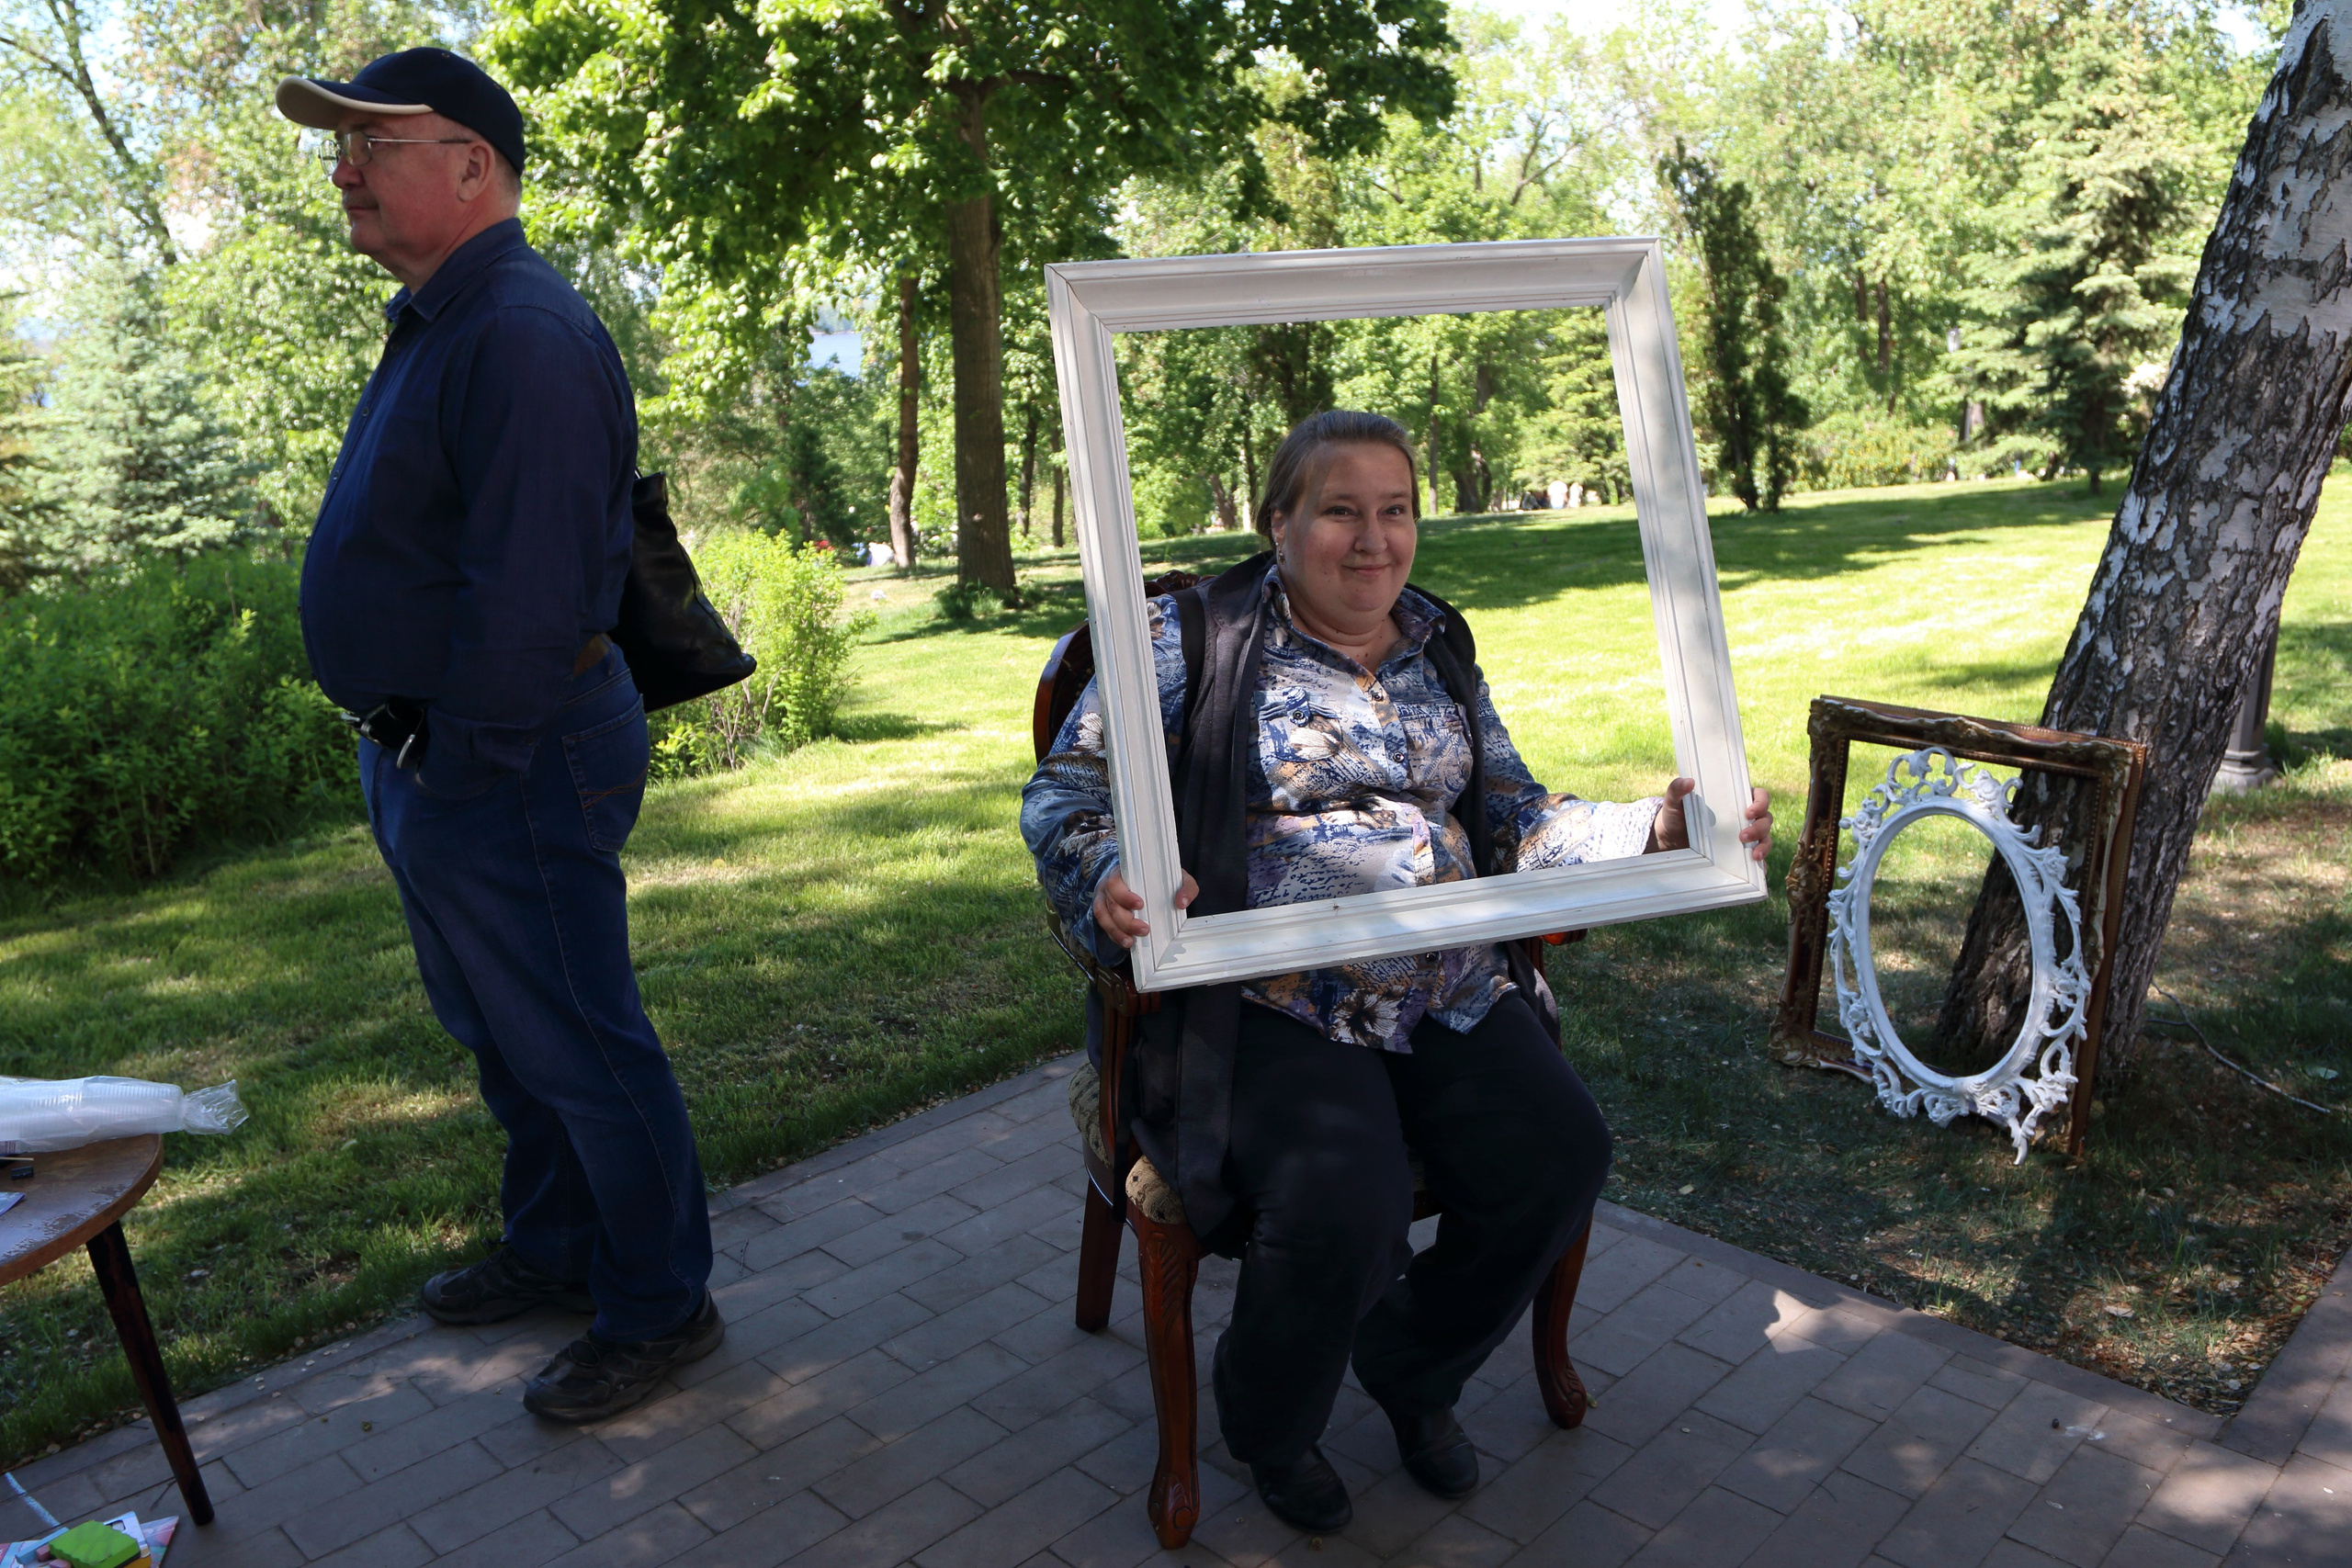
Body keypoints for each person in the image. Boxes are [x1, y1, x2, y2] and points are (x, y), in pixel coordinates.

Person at [1022, 411, 1771, 1531]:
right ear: (1278, 524)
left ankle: (1409, 1363)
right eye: (1339, 510)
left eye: (1395, 509)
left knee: (1559, 1152)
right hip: (1271, 993)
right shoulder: (1186, 638)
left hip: (1448, 976)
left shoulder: (1436, 643)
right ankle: (1267, 1419)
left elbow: (1514, 817)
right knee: (1344, 1199)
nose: (1373, 539)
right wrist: (1109, 876)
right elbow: (1065, 796)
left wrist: (1664, 832)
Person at [275, 48, 720, 1421]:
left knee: (581, 1040)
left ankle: (658, 1304)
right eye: (337, 145)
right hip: (437, 753)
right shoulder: (445, 314)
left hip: (502, 757)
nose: (341, 168)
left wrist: (461, 767)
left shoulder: (517, 329)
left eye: (370, 141)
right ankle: (557, 1243)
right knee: (504, 1030)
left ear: (474, 166)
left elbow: (526, 597)